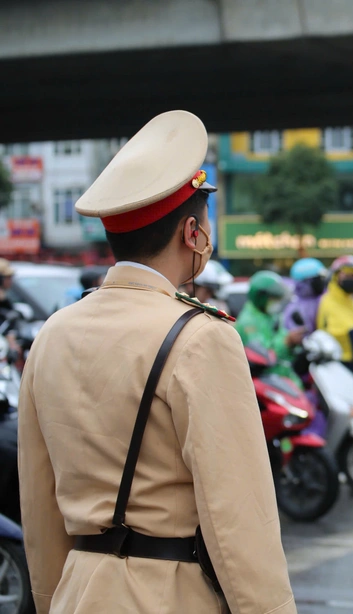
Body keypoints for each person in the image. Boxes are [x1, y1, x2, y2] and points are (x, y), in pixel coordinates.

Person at [18, 110, 294, 614]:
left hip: (76, 595)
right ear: (193, 233)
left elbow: (39, 504)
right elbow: (239, 522)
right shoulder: (201, 337)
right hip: (169, 597)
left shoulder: (53, 333)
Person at [236, 270, 305, 377]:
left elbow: (280, 337)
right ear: (260, 297)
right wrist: (287, 342)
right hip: (264, 378)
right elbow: (263, 355)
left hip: (282, 374)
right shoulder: (248, 322)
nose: (276, 303)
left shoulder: (270, 315)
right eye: (273, 298)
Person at [316, 255, 353, 363]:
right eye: (347, 275)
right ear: (335, 276)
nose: (352, 279)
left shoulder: (349, 301)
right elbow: (339, 332)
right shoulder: (328, 301)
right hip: (340, 362)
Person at [282, 257, 327, 333]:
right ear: (307, 281)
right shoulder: (295, 307)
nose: (322, 282)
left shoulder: (323, 298)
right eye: (319, 279)